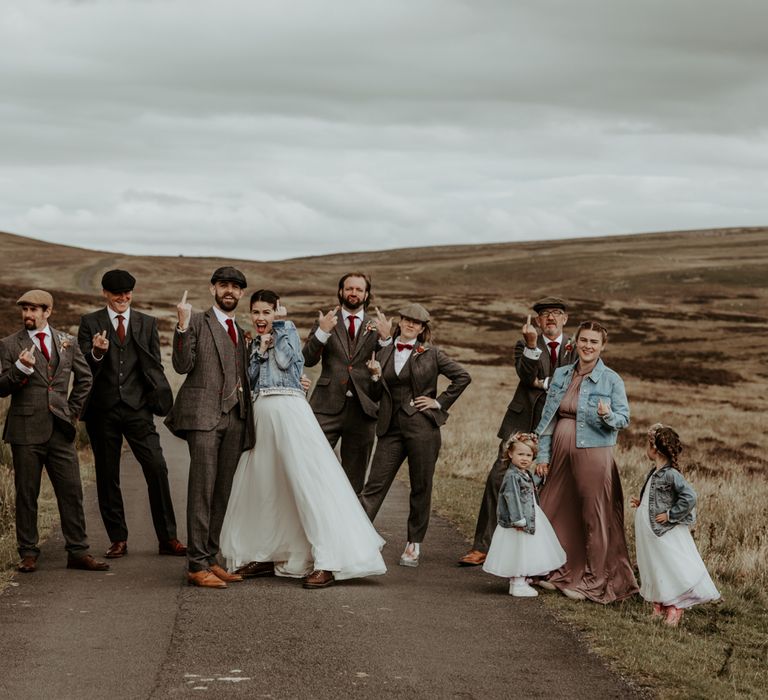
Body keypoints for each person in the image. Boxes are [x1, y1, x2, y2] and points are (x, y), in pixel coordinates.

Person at [220, 290, 386, 589]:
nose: (260, 318)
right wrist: (258, 349)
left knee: (306, 482)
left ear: (276, 312)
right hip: (262, 416)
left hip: (289, 411)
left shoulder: (289, 332)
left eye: (266, 313)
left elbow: (286, 364)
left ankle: (328, 560)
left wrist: (279, 330)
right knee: (266, 485)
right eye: (256, 312)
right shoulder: (253, 340)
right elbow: (252, 378)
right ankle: (266, 552)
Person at [78, 269, 186, 559]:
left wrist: (157, 397)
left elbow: (152, 364)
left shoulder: (147, 323)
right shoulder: (89, 323)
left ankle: (168, 538)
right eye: (117, 294)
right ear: (105, 294)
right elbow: (83, 367)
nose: (123, 298)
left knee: (157, 467)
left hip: (139, 410)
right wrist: (97, 352)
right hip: (103, 412)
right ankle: (118, 539)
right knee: (107, 475)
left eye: (127, 293)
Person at [460, 297, 574, 566]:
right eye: (545, 314)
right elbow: (526, 377)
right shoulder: (525, 343)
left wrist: (544, 382)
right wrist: (533, 347)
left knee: (555, 484)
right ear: (537, 320)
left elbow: (572, 380)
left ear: (565, 319)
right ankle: (483, 547)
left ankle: (550, 553)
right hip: (520, 423)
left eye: (557, 314)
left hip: (561, 424)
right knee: (497, 480)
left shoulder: (575, 346)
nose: (551, 318)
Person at [0, 290, 108, 573]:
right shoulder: (9, 345)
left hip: (61, 430)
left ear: (48, 312)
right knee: (27, 493)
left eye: (34, 309)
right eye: (24, 309)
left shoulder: (68, 342)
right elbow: (1, 388)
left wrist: (72, 412)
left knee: (72, 491)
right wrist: (20, 369)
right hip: (25, 430)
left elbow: (85, 379)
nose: (28, 315)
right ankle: (28, 553)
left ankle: (78, 551)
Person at [534, 320, 638, 603]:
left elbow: (623, 419)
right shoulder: (562, 374)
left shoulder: (611, 379)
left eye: (594, 342)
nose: (588, 346)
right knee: (553, 508)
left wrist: (607, 416)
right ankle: (555, 569)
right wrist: (543, 455)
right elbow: (548, 419)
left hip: (593, 453)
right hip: (559, 450)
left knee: (593, 516)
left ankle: (593, 580)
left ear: (602, 346)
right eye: (584, 340)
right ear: (575, 342)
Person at [360, 303, 471, 567]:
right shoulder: (383, 349)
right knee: (374, 485)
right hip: (390, 429)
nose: (411, 325)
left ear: (422, 329)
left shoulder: (431, 353)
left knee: (421, 486)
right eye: (407, 320)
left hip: (423, 428)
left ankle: (413, 543)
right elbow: (375, 394)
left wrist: (439, 402)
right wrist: (375, 377)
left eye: (417, 323)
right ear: (400, 321)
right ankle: (357, 538)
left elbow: (462, 377)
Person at [165, 267, 255, 589]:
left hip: (236, 419)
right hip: (204, 418)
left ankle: (211, 559)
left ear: (241, 293)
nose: (229, 291)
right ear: (213, 289)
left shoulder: (241, 332)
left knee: (222, 492)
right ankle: (195, 566)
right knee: (202, 489)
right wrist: (182, 325)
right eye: (223, 285)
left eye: (235, 287)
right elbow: (182, 365)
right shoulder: (197, 322)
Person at [302, 272, 392, 493]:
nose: (353, 293)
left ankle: (348, 525)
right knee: (309, 466)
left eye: (359, 289)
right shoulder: (325, 321)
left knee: (355, 477)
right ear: (341, 291)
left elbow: (387, 368)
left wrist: (386, 340)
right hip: (326, 405)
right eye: (349, 288)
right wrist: (322, 332)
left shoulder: (377, 326)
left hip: (363, 409)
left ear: (366, 294)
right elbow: (307, 359)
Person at [631, 424, 720, 626]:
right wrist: (642, 502)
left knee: (668, 566)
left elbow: (690, 497)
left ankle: (675, 607)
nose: (646, 449)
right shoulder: (654, 472)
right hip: (650, 532)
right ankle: (659, 605)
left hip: (663, 531)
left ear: (655, 449)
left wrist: (671, 514)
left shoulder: (671, 474)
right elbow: (655, 497)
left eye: (648, 445)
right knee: (654, 565)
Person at [482, 433, 566, 597]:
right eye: (521, 454)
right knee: (519, 550)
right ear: (510, 454)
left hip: (528, 515)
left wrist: (540, 477)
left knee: (525, 549)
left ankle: (519, 580)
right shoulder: (512, 475)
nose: (525, 458)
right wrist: (518, 520)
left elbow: (529, 487)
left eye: (529, 455)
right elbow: (511, 497)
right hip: (519, 519)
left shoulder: (523, 472)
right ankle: (518, 583)